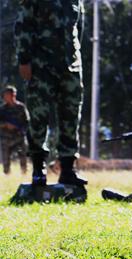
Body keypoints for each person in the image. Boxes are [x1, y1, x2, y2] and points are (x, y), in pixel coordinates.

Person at [15, 0, 86, 186]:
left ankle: (68, 170)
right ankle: (39, 169)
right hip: (41, 65)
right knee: (39, 118)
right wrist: (24, 59)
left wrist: (76, 56)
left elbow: (79, 27)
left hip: (70, 66)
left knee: (71, 117)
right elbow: (23, 24)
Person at [0, 86, 29, 174]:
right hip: (6, 139)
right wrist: (5, 124)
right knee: (6, 161)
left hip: (19, 137)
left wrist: (22, 130)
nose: (5, 97)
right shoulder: (2, 109)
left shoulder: (21, 107)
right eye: (4, 95)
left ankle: (24, 176)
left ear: (13, 95)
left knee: (23, 159)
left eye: (7, 95)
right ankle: (7, 176)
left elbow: (27, 121)